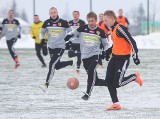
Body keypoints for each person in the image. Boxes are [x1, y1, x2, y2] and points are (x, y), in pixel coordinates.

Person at [65, 11, 109, 100]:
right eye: (89, 21)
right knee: (95, 80)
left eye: (92, 21)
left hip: (95, 55)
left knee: (91, 73)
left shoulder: (100, 32)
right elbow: (74, 33)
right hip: (84, 56)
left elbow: (106, 44)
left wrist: (105, 51)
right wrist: (68, 37)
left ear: (96, 20)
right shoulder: (83, 28)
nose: (90, 23)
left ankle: (87, 94)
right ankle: (111, 83)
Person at [103, 10, 143, 110]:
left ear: (112, 19)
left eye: (106, 20)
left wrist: (135, 56)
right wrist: (109, 51)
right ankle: (116, 104)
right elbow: (116, 43)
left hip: (123, 59)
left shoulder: (120, 28)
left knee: (118, 83)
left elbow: (131, 41)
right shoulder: (111, 29)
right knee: (108, 80)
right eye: (104, 20)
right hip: (114, 58)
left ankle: (134, 77)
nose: (105, 22)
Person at [40, 7, 73, 89]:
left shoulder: (63, 22)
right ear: (49, 14)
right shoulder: (46, 23)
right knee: (56, 66)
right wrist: (42, 42)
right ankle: (70, 62)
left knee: (51, 64)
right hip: (51, 47)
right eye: (51, 13)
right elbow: (41, 32)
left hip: (60, 46)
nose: (53, 14)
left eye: (54, 12)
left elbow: (71, 32)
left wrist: (69, 41)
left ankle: (46, 84)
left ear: (57, 13)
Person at [68, 11, 85, 75]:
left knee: (79, 57)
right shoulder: (69, 23)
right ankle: (77, 57)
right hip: (72, 42)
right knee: (70, 55)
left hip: (80, 42)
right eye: (74, 14)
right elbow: (68, 31)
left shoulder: (82, 22)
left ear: (79, 15)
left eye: (76, 14)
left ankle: (78, 69)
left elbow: (84, 31)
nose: (75, 15)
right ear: (72, 15)